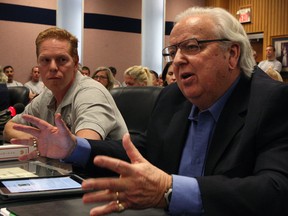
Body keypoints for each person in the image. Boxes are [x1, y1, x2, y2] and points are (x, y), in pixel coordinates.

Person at [10, 6, 288, 216]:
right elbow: (146, 148)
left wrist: (170, 188)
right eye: (174, 50)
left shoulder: (273, 102)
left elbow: (276, 190)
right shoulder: (173, 97)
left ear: (232, 55)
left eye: (192, 47)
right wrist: (74, 148)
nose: (177, 61)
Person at [4, 27, 127, 143]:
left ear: (75, 63)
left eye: (62, 59)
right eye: (45, 60)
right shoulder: (47, 95)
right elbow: (9, 128)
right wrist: (40, 141)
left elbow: (86, 145)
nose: (52, 67)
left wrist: (47, 142)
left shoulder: (91, 93)